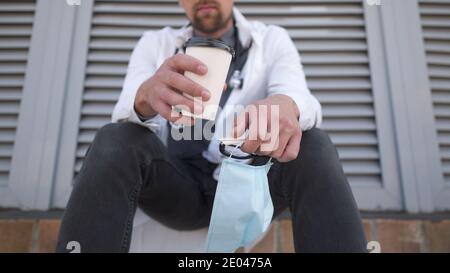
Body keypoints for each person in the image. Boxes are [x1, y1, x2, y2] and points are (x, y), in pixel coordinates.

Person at [56, 0, 367, 253]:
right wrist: (146, 95)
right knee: (116, 137)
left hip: (249, 187)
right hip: (176, 189)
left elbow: (302, 97)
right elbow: (124, 110)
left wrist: (287, 104)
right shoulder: (156, 44)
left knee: (313, 144)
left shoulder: (272, 39)